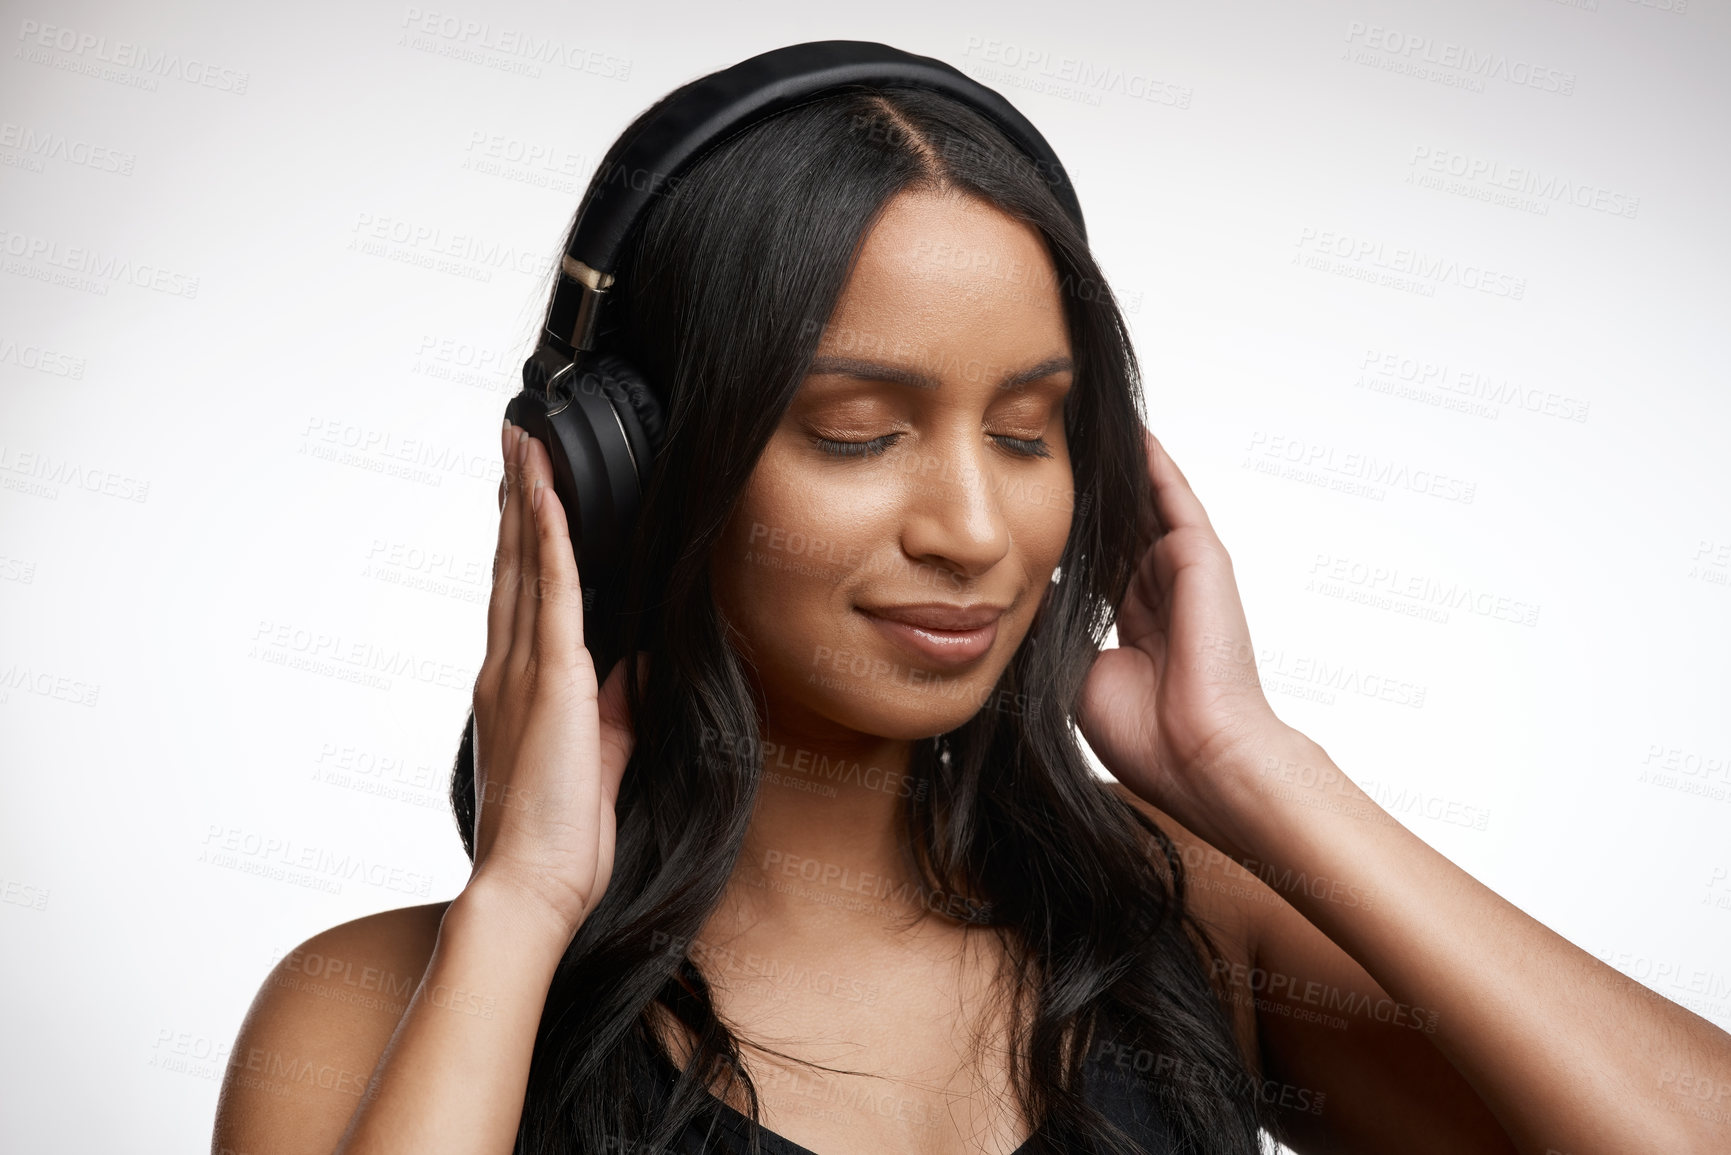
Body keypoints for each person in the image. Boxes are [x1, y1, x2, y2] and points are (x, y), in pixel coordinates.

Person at [212, 70, 1731, 1155]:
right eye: (860, 433)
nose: (977, 530)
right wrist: (525, 903)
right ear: (634, 470)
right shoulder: (384, 1003)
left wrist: (1258, 774)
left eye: (1028, 434)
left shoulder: (1186, 926)